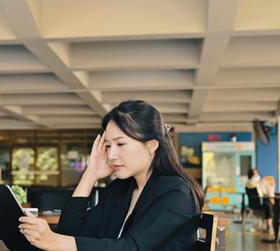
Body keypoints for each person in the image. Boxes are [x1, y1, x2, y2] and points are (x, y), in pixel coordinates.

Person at [18, 100, 204, 250]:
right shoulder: (121, 188)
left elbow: (131, 247)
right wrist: (90, 175)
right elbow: (70, 233)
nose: (112, 155)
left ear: (151, 145)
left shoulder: (176, 193)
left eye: (120, 144)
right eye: (108, 146)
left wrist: (55, 241)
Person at [246, 168, 274, 232]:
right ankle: (269, 224)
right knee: (269, 205)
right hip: (258, 204)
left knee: (268, 203)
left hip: (252, 204)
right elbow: (267, 192)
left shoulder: (248, 183)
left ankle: (269, 223)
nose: (257, 173)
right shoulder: (258, 181)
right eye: (256, 172)